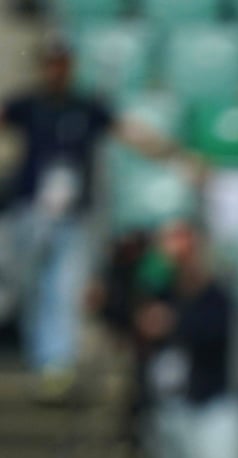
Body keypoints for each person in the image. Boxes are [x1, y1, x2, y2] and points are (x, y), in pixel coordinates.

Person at [0, 35, 203, 373]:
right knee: (24, 284)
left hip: (73, 215)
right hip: (31, 210)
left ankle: (54, 363)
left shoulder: (86, 106)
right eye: (51, 63)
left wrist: (172, 152)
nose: (56, 70)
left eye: (61, 63)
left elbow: (129, 132)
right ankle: (25, 352)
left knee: (63, 288)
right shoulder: (29, 104)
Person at [133, 219, 238, 458]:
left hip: (212, 411)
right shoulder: (160, 293)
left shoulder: (217, 297)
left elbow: (213, 330)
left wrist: (172, 322)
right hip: (167, 411)